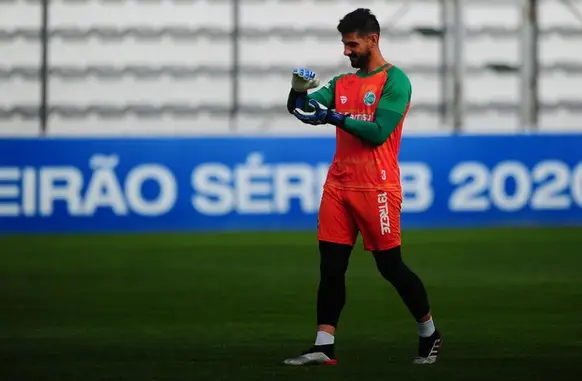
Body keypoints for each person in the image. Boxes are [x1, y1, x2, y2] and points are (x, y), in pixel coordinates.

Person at [283, 8, 443, 366]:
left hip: (378, 187)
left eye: (352, 44)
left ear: (373, 40)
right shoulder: (342, 83)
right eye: (344, 44)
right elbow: (306, 108)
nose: (346, 51)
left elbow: (377, 133)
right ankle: (324, 346)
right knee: (331, 266)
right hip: (339, 185)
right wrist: (296, 93)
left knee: (390, 266)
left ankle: (429, 334)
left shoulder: (395, 81)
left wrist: (334, 117)